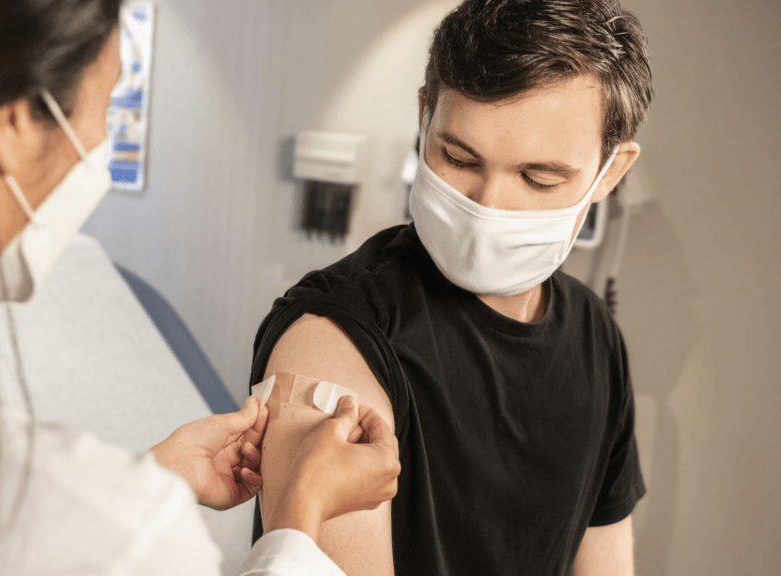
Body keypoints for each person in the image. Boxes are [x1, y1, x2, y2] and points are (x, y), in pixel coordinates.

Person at [0, 1, 401, 575]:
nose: (100, 143)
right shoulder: (113, 530)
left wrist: (150, 476)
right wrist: (295, 523)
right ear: (12, 123)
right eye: (112, 103)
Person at [250, 0, 654, 574]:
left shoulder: (596, 337)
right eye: (459, 157)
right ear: (424, 118)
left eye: (538, 177)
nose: (487, 206)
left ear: (609, 171)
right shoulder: (336, 334)